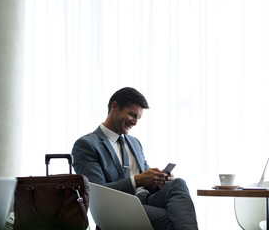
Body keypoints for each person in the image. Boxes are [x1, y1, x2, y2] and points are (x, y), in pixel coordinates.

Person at [71, 87, 198, 230]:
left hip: (146, 200)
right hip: (117, 209)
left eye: (138, 118)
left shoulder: (134, 142)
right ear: (115, 107)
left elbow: (146, 178)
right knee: (174, 218)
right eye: (132, 115)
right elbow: (96, 191)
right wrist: (138, 180)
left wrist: (158, 180)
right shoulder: (87, 144)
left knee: (178, 184)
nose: (135, 122)